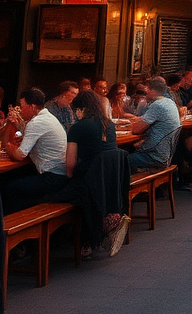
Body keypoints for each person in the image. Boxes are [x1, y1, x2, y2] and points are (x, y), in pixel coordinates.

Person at [59, 89, 128, 257]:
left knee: (50, 194)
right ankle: (109, 222)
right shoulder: (108, 124)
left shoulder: (78, 127)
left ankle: (81, 238)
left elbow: (70, 163)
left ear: (80, 109)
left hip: (87, 183)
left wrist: (69, 177)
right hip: (108, 184)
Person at [0, 87, 69, 212]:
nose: (20, 110)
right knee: (12, 176)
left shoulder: (37, 122)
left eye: (22, 106)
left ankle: (9, 225)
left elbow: (20, 155)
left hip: (52, 177)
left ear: (33, 107)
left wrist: (9, 147)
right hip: (61, 174)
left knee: (6, 187)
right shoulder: (47, 117)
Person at [123, 77, 181, 171]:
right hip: (164, 154)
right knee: (129, 150)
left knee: (120, 159)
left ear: (153, 91)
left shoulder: (158, 105)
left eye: (147, 89)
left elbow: (136, 130)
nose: (145, 93)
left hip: (154, 156)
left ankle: (124, 185)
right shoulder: (169, 102)